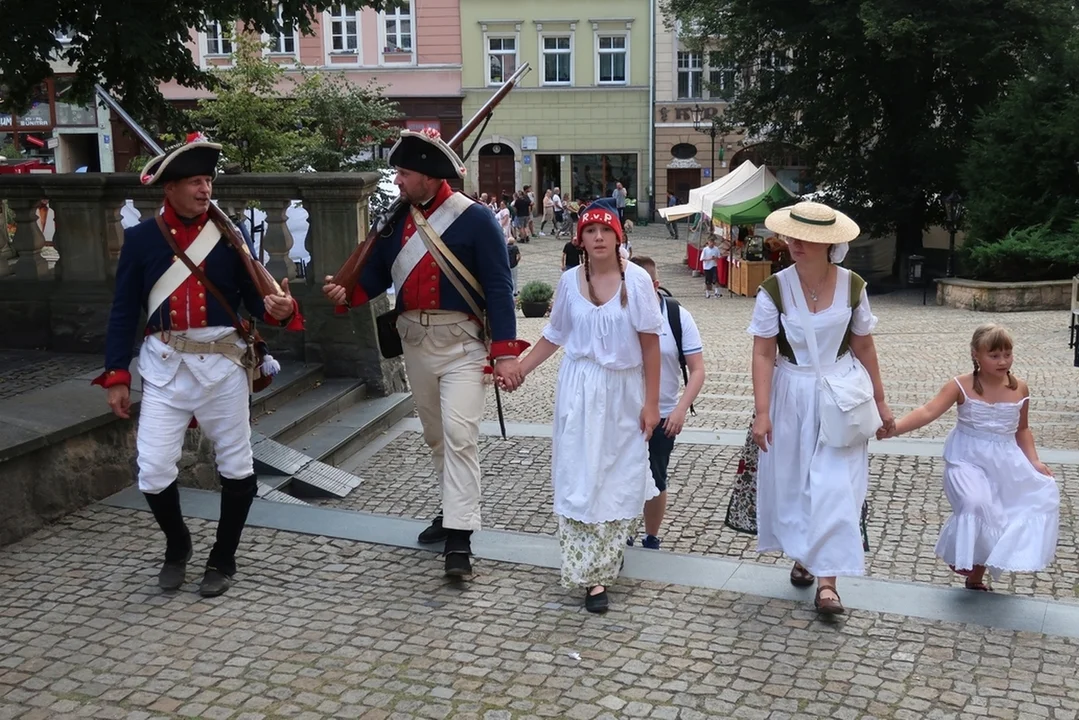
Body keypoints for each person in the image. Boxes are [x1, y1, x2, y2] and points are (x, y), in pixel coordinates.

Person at [94, 133, 303, 597]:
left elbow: (254, 300)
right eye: (194, 181)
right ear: (169, 188)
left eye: (208, 180)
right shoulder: (142, 239)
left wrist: (278, 311)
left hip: (223, 363)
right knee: (152, 469)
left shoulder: (230, 235)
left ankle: (222, 559)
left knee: (235, 465)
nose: (205, 189)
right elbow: (125, 310)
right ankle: (178, 545)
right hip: (164, 364)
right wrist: (117, 374)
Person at [322, 128, 528, 578]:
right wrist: (348, 292)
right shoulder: (396, 220)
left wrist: (505, 353)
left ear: (431, 177)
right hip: (414, 343)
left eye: (405, 172)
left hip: (463, 346)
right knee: (437, 437)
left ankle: (460, 538)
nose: (397, 180)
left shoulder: (475, 219)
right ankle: (451, 510)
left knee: (459, 436)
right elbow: (377, 275)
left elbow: (498, 287)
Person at [514, 202, 663, 614]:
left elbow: (652, 345)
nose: (598, 237)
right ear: (579, 239)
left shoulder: (637, 281)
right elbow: (554, 335)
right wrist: (520, 370)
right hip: (578, 390)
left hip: (623, 391)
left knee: (617, 474)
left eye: (606, 230)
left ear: (619, 237)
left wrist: (652, 404)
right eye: (590, 231)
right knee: (579, 474)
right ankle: (590, 576)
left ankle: (605, 561)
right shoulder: (567, 282)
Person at [748, 200, 893, 616]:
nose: (795, 242)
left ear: (828, 244)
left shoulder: (853, 286)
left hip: (841, 394)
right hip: (792, 392)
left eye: (806, 237)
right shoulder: (774, 289)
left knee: (836, 486)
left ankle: (828, 581)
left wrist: (881, 401)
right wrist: (762, 411)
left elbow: (864, 343)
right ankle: (804, 553)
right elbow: (762, 353)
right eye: (793, 235)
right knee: (796, 483)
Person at [883, 324, 1059, 591]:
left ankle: (976, 576)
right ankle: (962, 558)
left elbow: (1022, 429)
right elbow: (928, 411)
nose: (1003, 361)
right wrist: (895, 428)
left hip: (1005, 461)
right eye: (994, 355)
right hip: (966, 458)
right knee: (974, 502)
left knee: (1000, 513)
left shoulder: (1020, 388)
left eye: (1007, 354)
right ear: (976, 354)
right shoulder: (960, 385)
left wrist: (1034, 461)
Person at [627, 256, 706, 550]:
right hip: (625, 411)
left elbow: (697, 369)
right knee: (622, 474)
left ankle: (651, 536)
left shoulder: (677, 316)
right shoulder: (621, 311)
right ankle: (623, 530)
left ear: (656, 286)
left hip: (663, 413)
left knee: (656, 476)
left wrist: (680, 409)